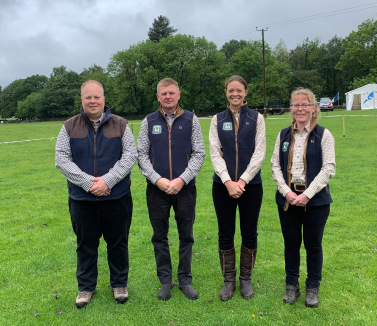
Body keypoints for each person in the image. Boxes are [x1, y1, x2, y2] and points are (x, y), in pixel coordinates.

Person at [55, 80, 137, 308]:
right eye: (88, 97)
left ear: (104, 99)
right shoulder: (69, 126)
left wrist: (107, 180)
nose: (93, 101)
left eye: (97, 97)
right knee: (85, 245)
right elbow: (61, 159)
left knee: (118, 243)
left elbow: (130, 156)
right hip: (82, 200)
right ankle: (86, 288)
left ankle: (119, 284)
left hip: (117, 198)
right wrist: (89, 183)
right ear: (82, 100)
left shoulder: (121, 125)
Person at [137, 78, 205, 301]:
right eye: (163, 93)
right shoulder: (148, 121)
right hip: (157, 190)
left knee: (186, 235)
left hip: (184, 189)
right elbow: (142, 156)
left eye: (171, 93)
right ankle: (165, 280)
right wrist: (158, 180)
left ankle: (185, 279)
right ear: (158, 96)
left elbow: (198, 154)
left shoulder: (191, 120)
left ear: (179, 94)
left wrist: (181, 180)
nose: (168, 96)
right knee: (160, 236)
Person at [271, 88, 336, 308]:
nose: (300, 109)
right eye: (296, 105)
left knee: (313, 245)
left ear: (313, 108)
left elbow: (328, 169)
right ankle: (291, 285)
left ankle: (312, 287)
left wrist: (307, 195)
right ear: (291, 109)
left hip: (316, 202)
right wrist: (287, 192)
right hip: (287, 200)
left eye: (305, 105)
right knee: (291, 245)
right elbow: (275, 166)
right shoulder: (283, 135)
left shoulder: (323, 135)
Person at [209, 75, 266, 301]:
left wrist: (242, 181)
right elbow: (215, 151)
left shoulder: (257, 118)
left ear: (246, 92)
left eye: (239, 90)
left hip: (251, 186)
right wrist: (228, 181)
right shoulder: (217, 119)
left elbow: (259, 152)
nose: (235, 94)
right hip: (222, 186)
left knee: (249, 232)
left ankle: (246, 279)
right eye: (231, 90)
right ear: (226, 93)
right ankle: (228, 281)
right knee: (225, 233)